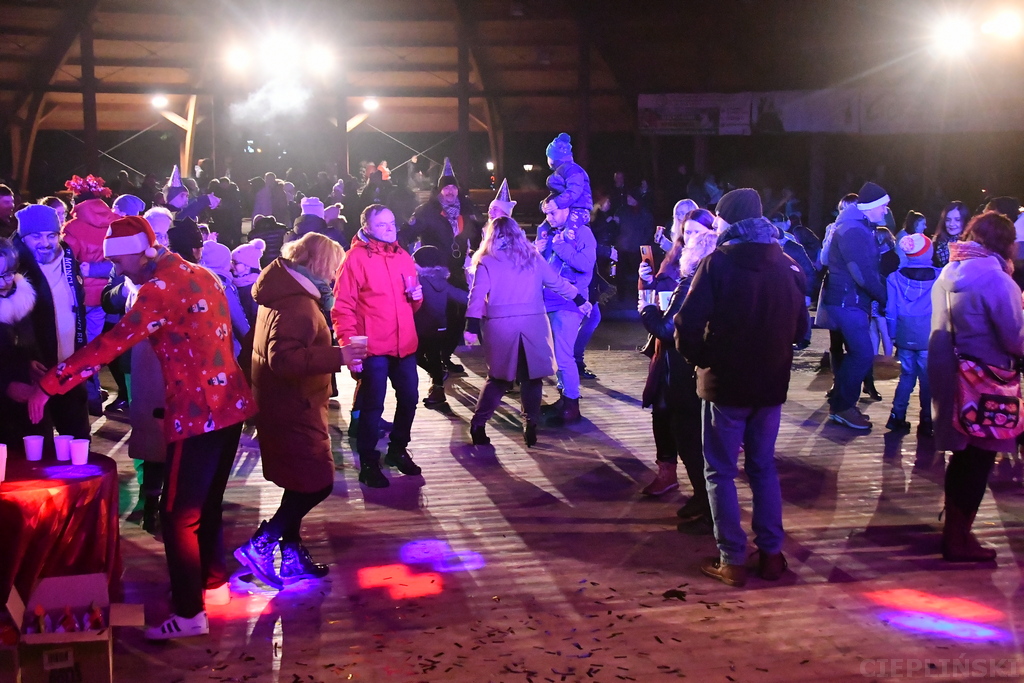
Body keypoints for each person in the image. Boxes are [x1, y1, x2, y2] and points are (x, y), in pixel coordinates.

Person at [27, 215, 256, 639]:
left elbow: (109, 345)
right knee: (204, 505)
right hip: (231, 405)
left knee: (175, 515)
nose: (117, 268)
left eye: (120, 260)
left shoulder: (158, 289)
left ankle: (189, 614)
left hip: (198, 410)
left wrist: (49, 384)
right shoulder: (199, 272)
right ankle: (213, 584)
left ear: (139, 251)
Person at [675, 188, 808, 587]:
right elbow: (802, 330)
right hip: (770, 385)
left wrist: (701, 359)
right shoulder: (785, 265)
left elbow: (687, 324)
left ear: (727, 222)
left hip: (725, 385)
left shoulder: (718, 264)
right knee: (763, 467)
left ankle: (731, 559)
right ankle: (770, 555)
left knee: (719, 471)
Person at [237, 233, 364, 587]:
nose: (337, 277)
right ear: (322, 266)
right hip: (294, 405)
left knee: (297, 480)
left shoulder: (279, 293)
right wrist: (340, 355)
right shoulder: (298, 305)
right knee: (317, 483)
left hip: (281, 403)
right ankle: (261, 543)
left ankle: (291, 555)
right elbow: (283, 359)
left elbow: (254, 349)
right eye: (335, 269)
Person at [929, 211, 1024, 562]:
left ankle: (954, 533)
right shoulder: (998, 281)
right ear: (1004, 242)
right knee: (979, 462)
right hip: (987, 383)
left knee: (962, 460)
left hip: (953, 378)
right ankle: (959, 540)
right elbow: (1015, 339)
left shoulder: (949, 272)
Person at [464, 216, 589, 447]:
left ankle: (478, 424)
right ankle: (530, 424)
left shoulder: (486, 261)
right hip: (533, 324)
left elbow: (477, 295)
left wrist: (471, 326)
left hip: (501, 326)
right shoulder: (532, 257)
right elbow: (556, 282)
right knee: (532, 378)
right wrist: (579, 297)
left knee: (498, 380)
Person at [332, 204, 424, 488]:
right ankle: (369, 461)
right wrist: (349, 345)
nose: (390, 228)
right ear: (367, 227)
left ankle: (397, 449)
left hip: (404, 344)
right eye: (382, 224)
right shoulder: (354, 259)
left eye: (392, 222)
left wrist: (417, 297)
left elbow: (412, 304)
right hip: (372, 346)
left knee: (409, 398)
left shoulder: (403, 257)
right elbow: (343, 307)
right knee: (373, 405)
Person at [639, 227, 717, 512]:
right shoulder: (715, 278)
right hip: (693, 366)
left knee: (688, 436)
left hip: (683, 369)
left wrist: (646, 308)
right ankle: (703, 499)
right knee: (688, 431)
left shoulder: (692, 282)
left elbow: (666, 328)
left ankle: (705, 504)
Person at [12, 204, 90, 439]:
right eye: (36, 236)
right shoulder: (13, 267)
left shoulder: (68, 258)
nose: (45, 243)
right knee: (37, 444)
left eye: (51, 236)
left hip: (69, 367)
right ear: (23, 237)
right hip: (34, 372)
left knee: (78, 438)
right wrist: (22, 362)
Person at [401, 158, 483, 374]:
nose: (450, 191)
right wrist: (404, 259)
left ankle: (445, 355)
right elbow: (406, 235)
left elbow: (478, 235)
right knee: (438, 315)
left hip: (457, 269)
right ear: (439, 190)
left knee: (460, 311)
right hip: (433, 272)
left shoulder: (467, 208)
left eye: (453, 187)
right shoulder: (426, 210)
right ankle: (433, 358)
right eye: (445, 187)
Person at [821, 182, 889, 430]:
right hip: (848, 301)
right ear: (870, 207)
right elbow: (861, 273)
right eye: (883, 206)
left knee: (859, 353)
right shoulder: (854, 231)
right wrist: (884, 297)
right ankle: (841, 407)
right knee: (862, 353)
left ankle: (841, 405)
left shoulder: (857, 227)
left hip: (850, 301)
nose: (886, 211)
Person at [535, 194, 597, 423]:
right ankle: (564, 398)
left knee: (563, 355)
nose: (548, 218)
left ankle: (572, 404)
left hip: (570, 302)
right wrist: (537, 250)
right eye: (546, 214)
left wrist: (559, 245)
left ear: (567, 209)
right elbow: (547, 269)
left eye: (552, 212)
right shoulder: (553, 234)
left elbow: (585, 265)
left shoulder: (582, 232)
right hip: (549, 300)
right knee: (556, 355)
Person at [60, 195, 119, 415]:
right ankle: (93, 398)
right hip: (104, 297)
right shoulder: (115, 223)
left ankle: (86, 398)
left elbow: (67, 263)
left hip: (79, 298)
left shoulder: (73, 227)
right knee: (92, 348)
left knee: (76, 348)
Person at [884, 234, 938, 434]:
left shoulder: (894, 278)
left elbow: (890, 309)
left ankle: (897, 416)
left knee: (906, 376)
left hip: (905, 333)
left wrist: (892, 334)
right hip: (929, 334)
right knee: (927, 379)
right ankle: (927, 420)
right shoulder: (939, 276)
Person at [0, 237, 51, 445]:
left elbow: (19, 344)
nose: (4, 283)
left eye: (9, 274)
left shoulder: (22, 299)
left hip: (26, 404)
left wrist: (29, 362)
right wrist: (4, 386)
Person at [413, 245, 468, 408]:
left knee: (414, 355)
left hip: (422, 327)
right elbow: (461, 296)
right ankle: (438, 389)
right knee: (434, 356)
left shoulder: (419, 280)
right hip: (440, 328)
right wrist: (481, 299)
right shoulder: (442, 281)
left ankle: (438, 378)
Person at [231, 238, 266, 328]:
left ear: (248, 266)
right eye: (232, 261)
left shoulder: (256, 287)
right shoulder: (234, 283)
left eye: (236, 262)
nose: (231, 265)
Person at [931, 201, 970, 268]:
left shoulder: (969, 245)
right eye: (948, 220)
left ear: (965, 221)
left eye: (957, 220)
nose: (951, 224)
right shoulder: (937, 241)